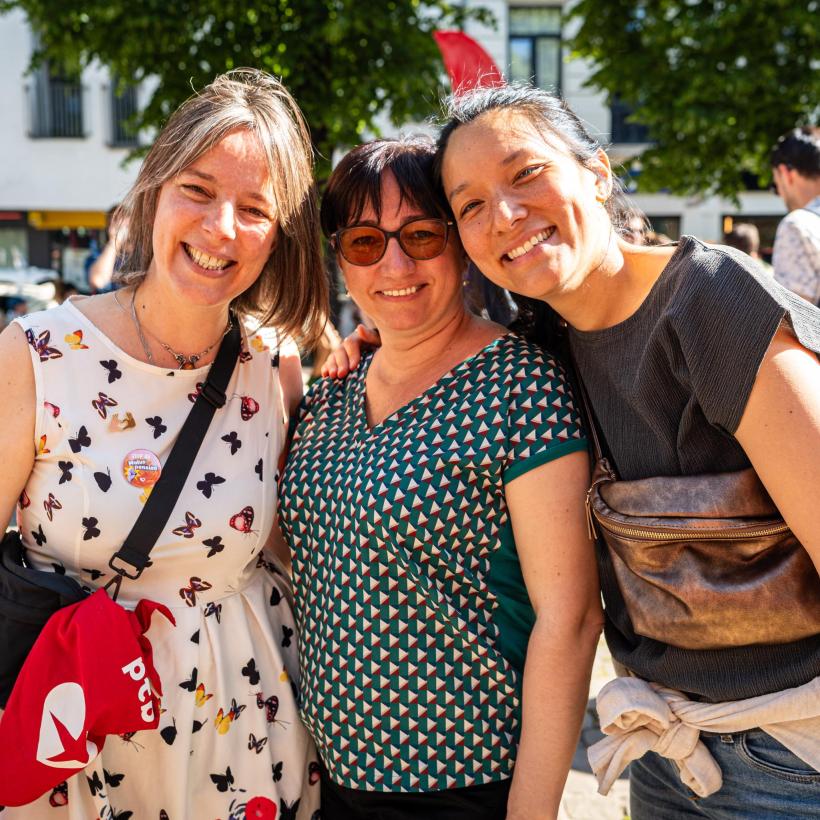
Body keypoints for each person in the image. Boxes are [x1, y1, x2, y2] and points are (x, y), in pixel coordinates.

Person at [330, 84, 820, 819]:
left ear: (597, 171)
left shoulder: (709, 301)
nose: (504, 215)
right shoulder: (548, 335)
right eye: (470, 205)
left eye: (526, 173)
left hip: (792, 760)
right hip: (666, 751)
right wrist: (382, 335)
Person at [0, 69, 325, 819]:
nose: (221, 228)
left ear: (279, 234)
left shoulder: (272, 363)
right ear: (155, 189)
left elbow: (287, 548)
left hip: (241, 735)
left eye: (255, 209)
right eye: (198, 190)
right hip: (78, 734)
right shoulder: (37, 354)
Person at [278, 137, 603, 820]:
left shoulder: (521, 387)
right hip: (329, 776)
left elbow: (570, 619)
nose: (395, 264)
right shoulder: (331, 393)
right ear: (340, 258)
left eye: (421, 235)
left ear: (460, 245)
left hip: (465, 784)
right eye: (365, 242)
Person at [770, 127, 820, 304]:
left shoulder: (796, 226)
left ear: (785, 173)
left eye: (776, 186)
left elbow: (793, 318)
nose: (780, 195)